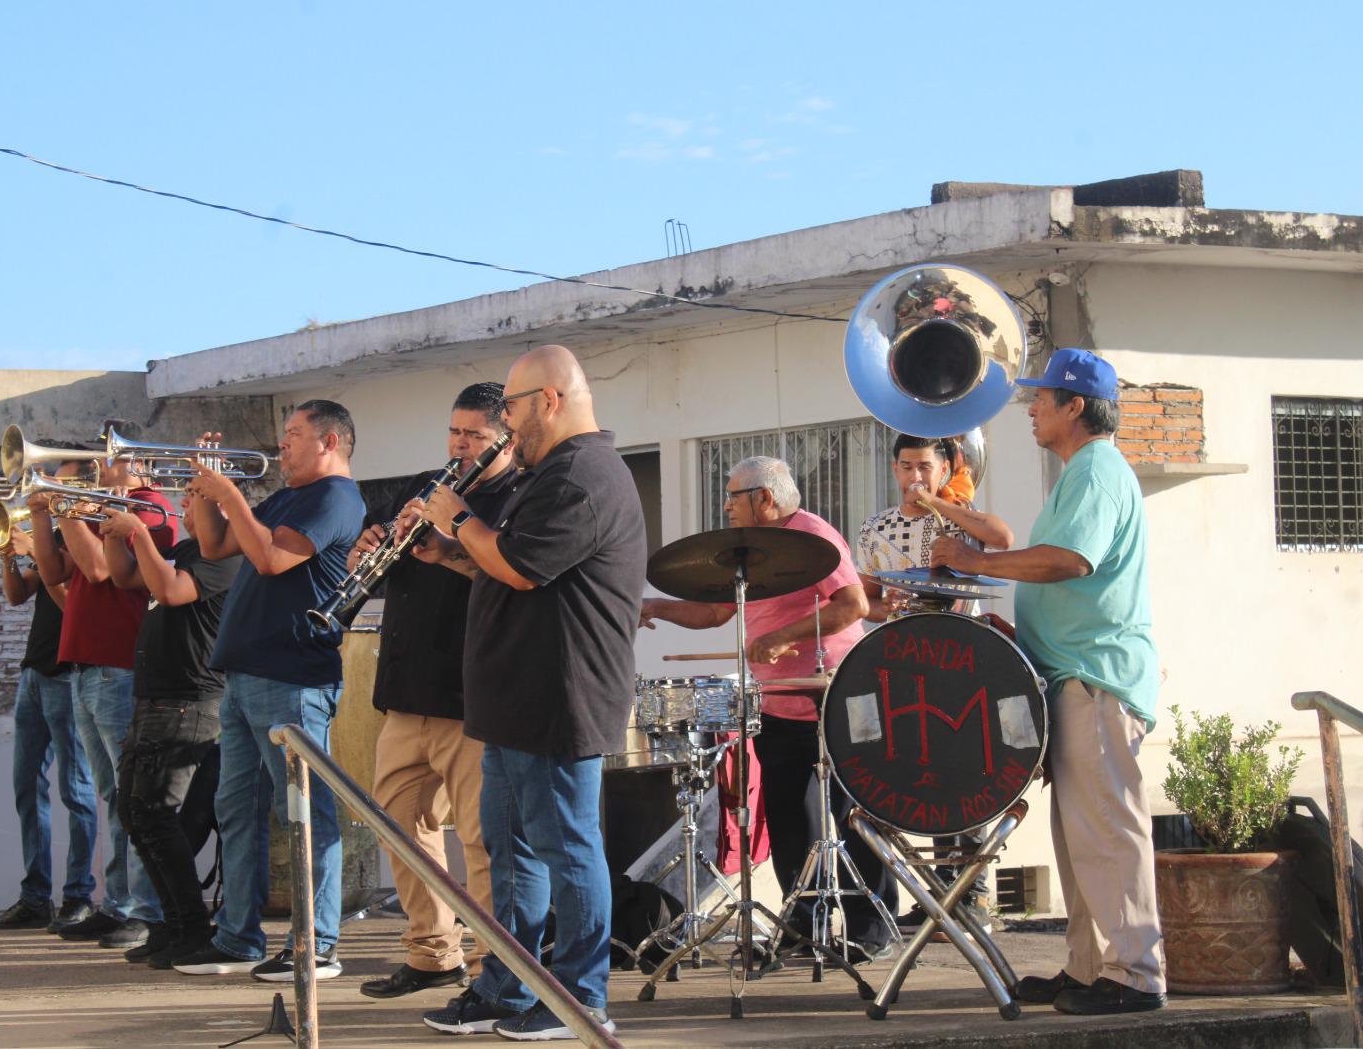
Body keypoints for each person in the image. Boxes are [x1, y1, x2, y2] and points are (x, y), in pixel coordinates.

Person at [413, 345, 645, 1041]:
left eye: (510, 408)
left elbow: (518, 566)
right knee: (510, 856)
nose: (506, 425)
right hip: (515, 698)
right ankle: (507, 988)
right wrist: (449, 551)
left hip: (557, 695)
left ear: (550, 399)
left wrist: (457, 519)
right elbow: (507, 568)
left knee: (568, 850)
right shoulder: (550, 474)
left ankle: (582, 996)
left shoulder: (583, 475)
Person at [930, 348, 1166, 1015]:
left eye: (1042, 398)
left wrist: (979, 559)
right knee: (1080, 837)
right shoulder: (1082, 472)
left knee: (1108, 833)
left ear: (1075, 407)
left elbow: (1068, 560)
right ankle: (1092, 968)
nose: (1031, 409)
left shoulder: (1096, 470)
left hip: (1095, 678)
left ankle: (1136, 977)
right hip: (1073, 679)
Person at [640, 456, 895, 962]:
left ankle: (872, 926)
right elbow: (714, 613)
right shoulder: (749, 552)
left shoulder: (813, 534)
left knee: (848, 815)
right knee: (784, 817)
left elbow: (853, 606)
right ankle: (805, 924)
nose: (727, 506)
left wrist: (784, 636)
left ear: (765, 498)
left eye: (734, 496)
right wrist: (652, 607)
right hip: (777, 702)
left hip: (833, 693)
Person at [173, 400, 364, 983]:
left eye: (294, 434)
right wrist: (206, 494)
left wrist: (230, 492)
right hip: (245, 678)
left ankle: (317, 946)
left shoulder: (335, 499)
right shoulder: (289, 496)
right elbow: (214, 547)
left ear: (329, 441)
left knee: (305, 815)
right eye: (284, 434)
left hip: (293, 680)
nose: (282, 445)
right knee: (235, 811)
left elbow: (272, 558)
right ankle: (237, 938)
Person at [355, 383, 520, 1000]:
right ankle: (432, 954)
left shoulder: (515, 496)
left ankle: (491, 969)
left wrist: (449, 547)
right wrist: (369, 552)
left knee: (481, 841)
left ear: (505, 435)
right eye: (454, 432)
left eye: (473, 435)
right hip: (405, 689)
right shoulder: (428, 484)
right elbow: (398, 565)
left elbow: (510, 579)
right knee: (397, 826)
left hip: (471, 695)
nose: (459, 445)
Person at [856, 433, 1014, 935]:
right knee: (922, 771)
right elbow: (867, 601)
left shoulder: (962, 519)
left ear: (945, 469)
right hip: (902, 661)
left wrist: (943, 505)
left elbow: (1003, 537)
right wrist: (889, 609)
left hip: (961, 662)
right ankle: (933, 895)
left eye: (924, 467)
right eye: (905, 467)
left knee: (966, 769)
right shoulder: (877, 528)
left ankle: (973, 895)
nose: (914, 478)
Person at [29, 447, 177, 949]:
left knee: (132, 795)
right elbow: (54, 575)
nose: (94, 475)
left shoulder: (149, 510)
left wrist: (68, 509)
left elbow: (98, 572)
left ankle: (144, 908)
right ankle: (118, 902)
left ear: (137, 466)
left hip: (119, 666)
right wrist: (41, 513)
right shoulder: (100, 511)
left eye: (102, 464)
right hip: (85, 667)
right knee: (112, 795)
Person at [100, 487, 241, 968]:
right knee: (134, 812)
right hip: (155, 699)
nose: (182, 509)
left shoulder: (227, 559)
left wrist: (137, 531)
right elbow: (124, 577)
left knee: (158, 816)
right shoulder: (186, 550)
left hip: (189, 702)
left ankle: (191, 927)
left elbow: (170, 590)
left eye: (194, 501)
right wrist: (111, 530)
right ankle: (171, 923)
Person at [0, 521, 98, 934]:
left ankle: (78, 895)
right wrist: (5, 553)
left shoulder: (91, 540)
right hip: (33, 674)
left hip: (67, 675)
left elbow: (74, 605)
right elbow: (17, 595)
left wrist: (35, 549)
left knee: (76, 790)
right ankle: (35, 896)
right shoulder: (53, 537)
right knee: (26, 787)